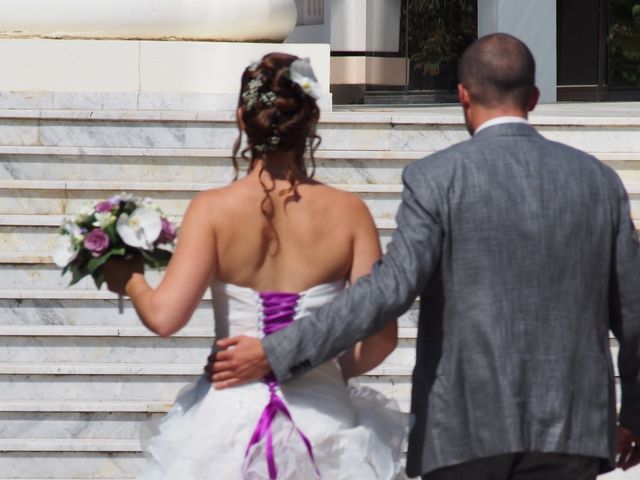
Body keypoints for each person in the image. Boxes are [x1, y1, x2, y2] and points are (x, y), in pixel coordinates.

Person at [209, 34, 640, 479]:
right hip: (572, 431)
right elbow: (634, 312)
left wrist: (278, 352)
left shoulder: (437, 179)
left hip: (464, 429)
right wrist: (635, 415)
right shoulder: (598, 182)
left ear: (462, 95)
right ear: (534, 96)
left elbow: (387, 290)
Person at [104, 53, 408, 479]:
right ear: (310, 120)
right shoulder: (350, 213)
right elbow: (381, 339)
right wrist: (320, 366)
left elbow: (165, 317)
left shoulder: (212, 210)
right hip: (324, 423)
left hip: (226, 423)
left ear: (242, 119)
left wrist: (130, 279)